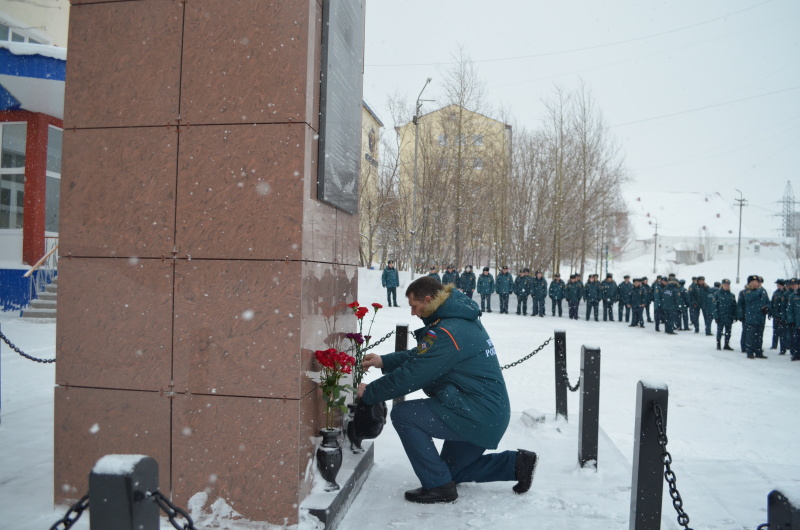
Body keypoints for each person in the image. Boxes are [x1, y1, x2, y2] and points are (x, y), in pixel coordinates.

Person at [357, 277, 539, 503]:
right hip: (484, 412)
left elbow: (414, 374)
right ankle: (516, 465)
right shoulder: (456, 320)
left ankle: (439, 488)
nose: (413, 313)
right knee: (449, 472)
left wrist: (370, 393)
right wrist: (385, 361)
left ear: (427, 299)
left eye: (414, 306)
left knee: (404, 415)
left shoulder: (448, 331)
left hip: (474, 413)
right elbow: (425, 355)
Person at [737, 275, 770, 359]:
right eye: (753, 282)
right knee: (750, 336)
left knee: (759, 336)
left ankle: (758, 351)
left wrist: (767, 307)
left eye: (756, 282)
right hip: (750, 317)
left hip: (760, 318)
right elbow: (741, 304)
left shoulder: (763, 291)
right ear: (749, 283)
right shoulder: (746, 292)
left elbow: (768, 302)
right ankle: (749, 352)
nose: (755, 284)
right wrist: (740, 315)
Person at [713, 278, 737, 350]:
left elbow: (734, 306)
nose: (726, 286)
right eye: (725, 285)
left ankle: (726, 344)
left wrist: (735, 315)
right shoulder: (717, 294)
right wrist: (716, 316)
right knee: (719, 331)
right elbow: (715, 306)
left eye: (727, 285)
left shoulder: (732, 295)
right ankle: (718, 344)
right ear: (722, 285)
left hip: (729, 316)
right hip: (721, 316)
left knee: (728, 332)